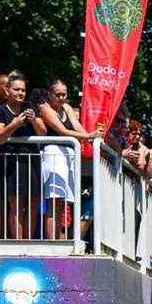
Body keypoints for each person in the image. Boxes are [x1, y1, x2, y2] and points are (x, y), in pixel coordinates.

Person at [37, 80, 98, 241]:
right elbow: (62, 131)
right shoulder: (45, 109)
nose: (62, 98)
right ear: (49, 95)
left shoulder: (67, 108)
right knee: (53, 201)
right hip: (54, 153)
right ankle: (52, 241)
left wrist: (92, 139)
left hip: (68, 154)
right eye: (58, 94)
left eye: (64, 94)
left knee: (61, 203)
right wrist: (89, 136)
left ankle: (57, 239)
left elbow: (76, 126)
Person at [0, 71, 42, 239]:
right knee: (16, 204)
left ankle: (29, 241)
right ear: (7, 91)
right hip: (12, 161)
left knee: (33, 203)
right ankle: (18, 242)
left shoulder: (30, 108)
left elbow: (43, 133)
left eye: (23, 90)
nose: (20, 93)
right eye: (16, 90)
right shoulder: (0, 111)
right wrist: (14, 125)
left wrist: (34, 121)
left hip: (32, 160)